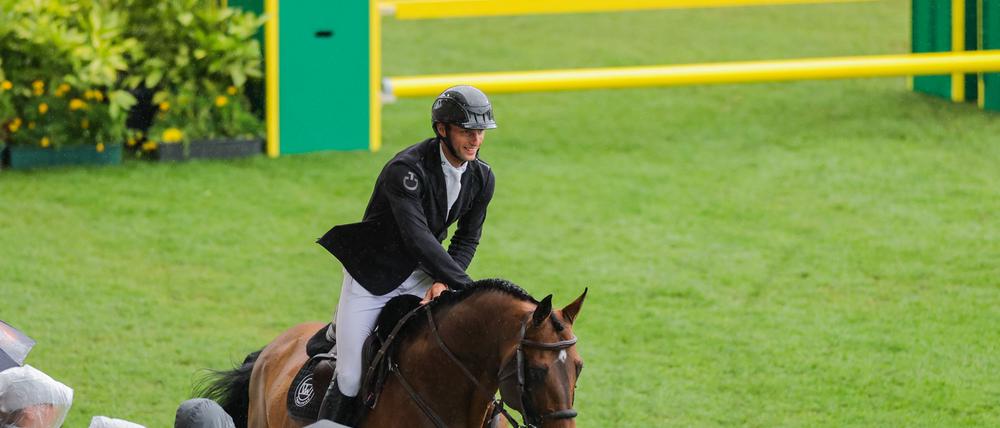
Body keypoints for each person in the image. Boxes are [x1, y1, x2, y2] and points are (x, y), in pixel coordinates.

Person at [315, 85, 498, 424]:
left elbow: (467, 238)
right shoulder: (405, 171)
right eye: (467, 132)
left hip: (424, 275)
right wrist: (470, 288)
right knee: (351, 377)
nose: (476, 140)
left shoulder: (482, 177)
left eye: (480, 132)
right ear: (442, 129)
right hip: (373, 276)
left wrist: (445, 280)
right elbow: (419, 240)